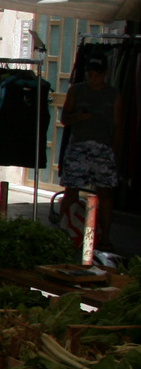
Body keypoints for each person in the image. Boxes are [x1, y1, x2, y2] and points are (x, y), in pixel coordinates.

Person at [60, 54, 121, 246]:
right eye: (90, 74)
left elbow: (118, 126)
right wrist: (77, 117)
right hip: (78, 146)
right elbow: (64, 118)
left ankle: (106, 237)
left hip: (103, 148)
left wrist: (113, 151)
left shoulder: (113, 95)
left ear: (105, 74)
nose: (92, 78)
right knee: (71, 190)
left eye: (97, 75)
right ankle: (63, 233)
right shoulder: (76, 91)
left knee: (105, 193)